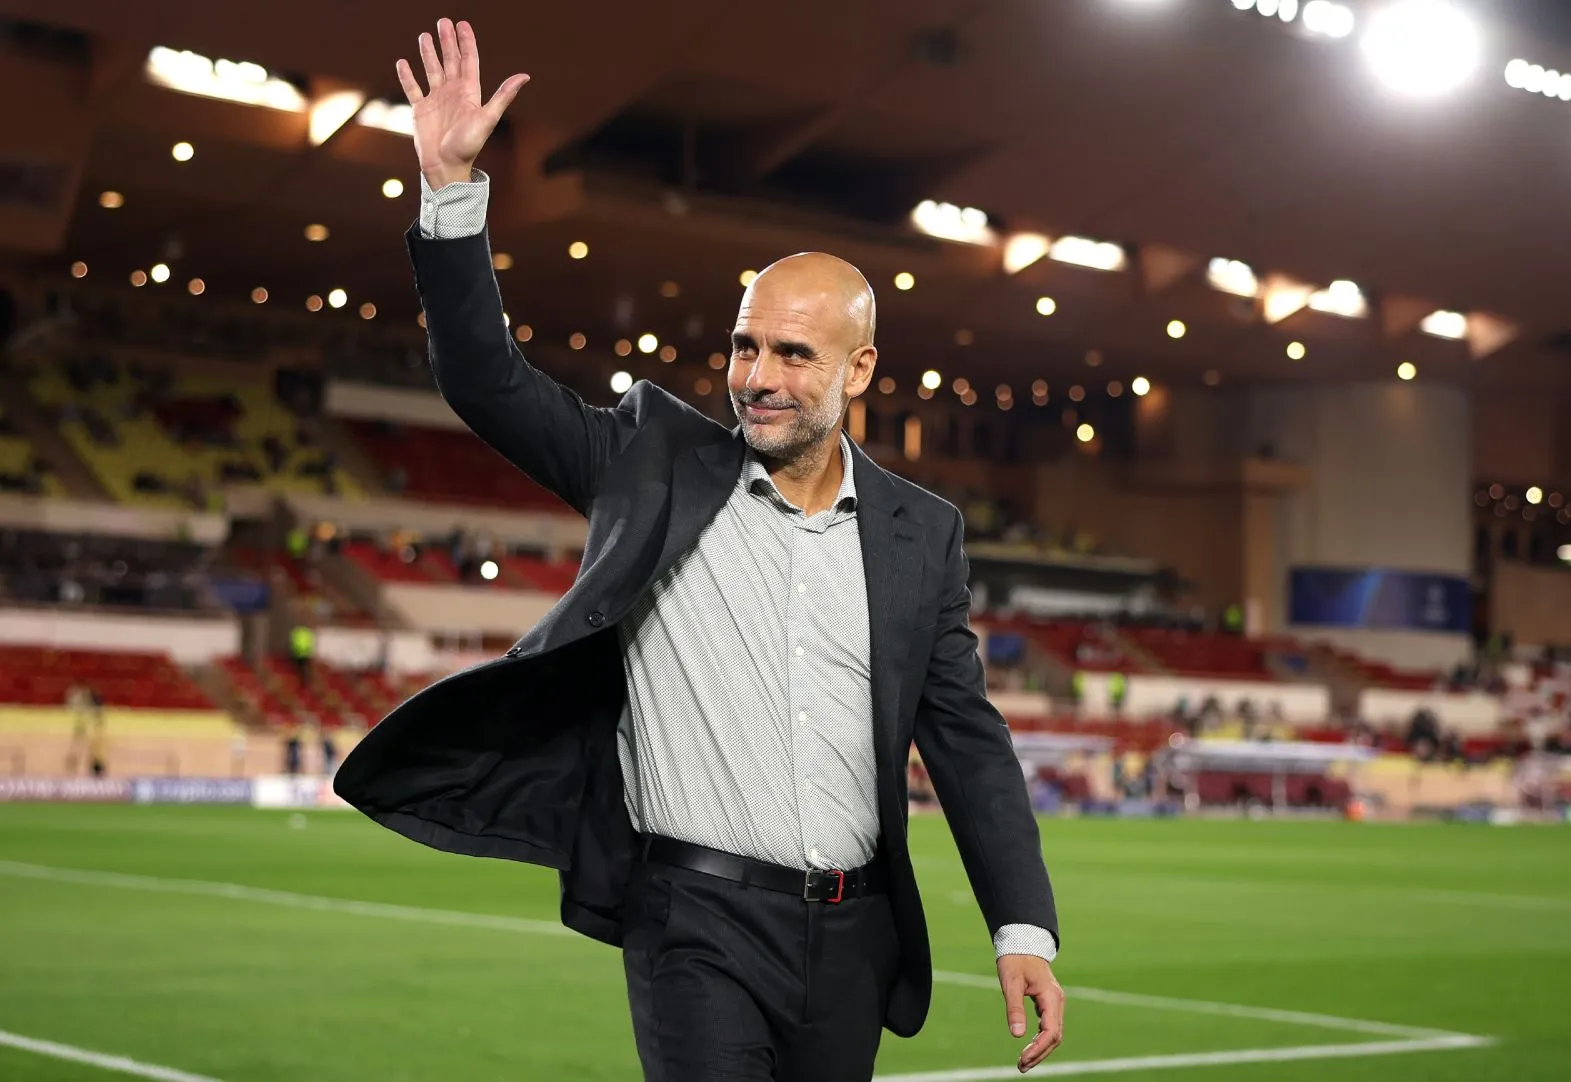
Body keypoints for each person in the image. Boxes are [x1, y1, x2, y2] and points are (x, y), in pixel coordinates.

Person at [336, 21, 1063, 1081]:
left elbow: (968, 744)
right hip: (693, 922)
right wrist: (449, 191)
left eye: (792, 353)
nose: (757, 373)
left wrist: (1023, 930)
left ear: (859, 368)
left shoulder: (923, 532)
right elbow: (487, 382)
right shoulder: (654, 457)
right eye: (744, 344)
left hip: (853, 939)